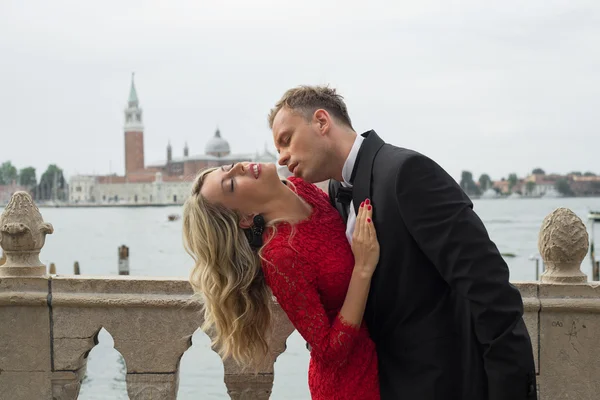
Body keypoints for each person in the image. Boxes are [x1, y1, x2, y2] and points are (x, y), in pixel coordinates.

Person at [269, 85, 538, 400]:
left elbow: (490, 290)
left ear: (321, 121)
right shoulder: (332, 198)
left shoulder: (407, 172)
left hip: (444, 385)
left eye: (286, 140)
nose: (283, 158)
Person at [182, 162, 381, 400]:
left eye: (231, 166)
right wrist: (363, 269)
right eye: (232, 184)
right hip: (355, 385)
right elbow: (329, 351)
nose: (241, 168)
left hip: (395, 352)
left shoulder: (302, 188)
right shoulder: (282, 256)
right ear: (245, 218)